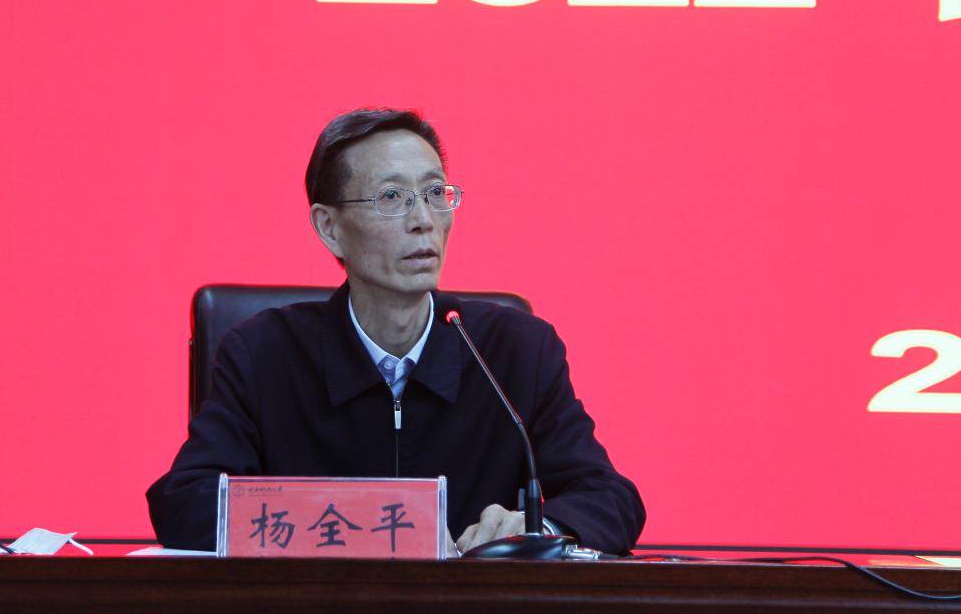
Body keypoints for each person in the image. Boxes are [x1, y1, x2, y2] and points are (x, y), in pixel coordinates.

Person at [147, 108, 645, 554]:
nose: (424, 220)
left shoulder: (515, 351)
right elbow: (185, 501)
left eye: (434, 194)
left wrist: (540, 530)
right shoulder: (263, 354)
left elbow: (610, 498)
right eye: (392, 198)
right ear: (329, 227)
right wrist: (368, 528)